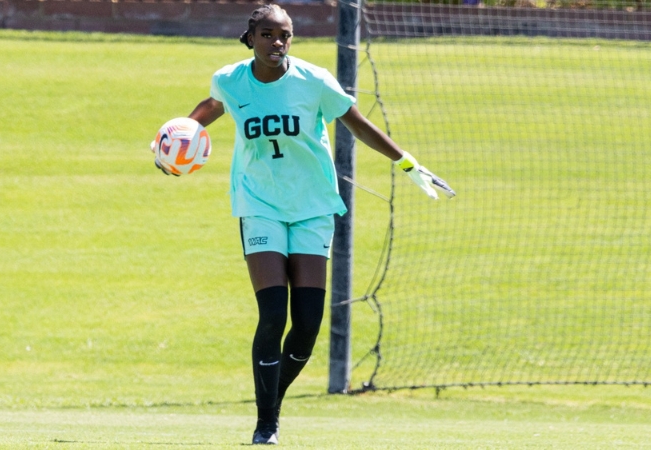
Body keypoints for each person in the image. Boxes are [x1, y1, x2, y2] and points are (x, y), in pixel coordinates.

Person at [154, 4, 454, 445]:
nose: (277, 42)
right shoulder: (230, 79)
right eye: (268, 34)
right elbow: (213, 106)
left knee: (307, 325)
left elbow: (357, 123)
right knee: (273, 313)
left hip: (312, 207)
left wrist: (408, 163)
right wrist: (172, 141)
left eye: (285, 35)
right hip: (260, 204)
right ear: (251, 38)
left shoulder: (313, 81)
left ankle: (271, 402)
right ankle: (266, 424)